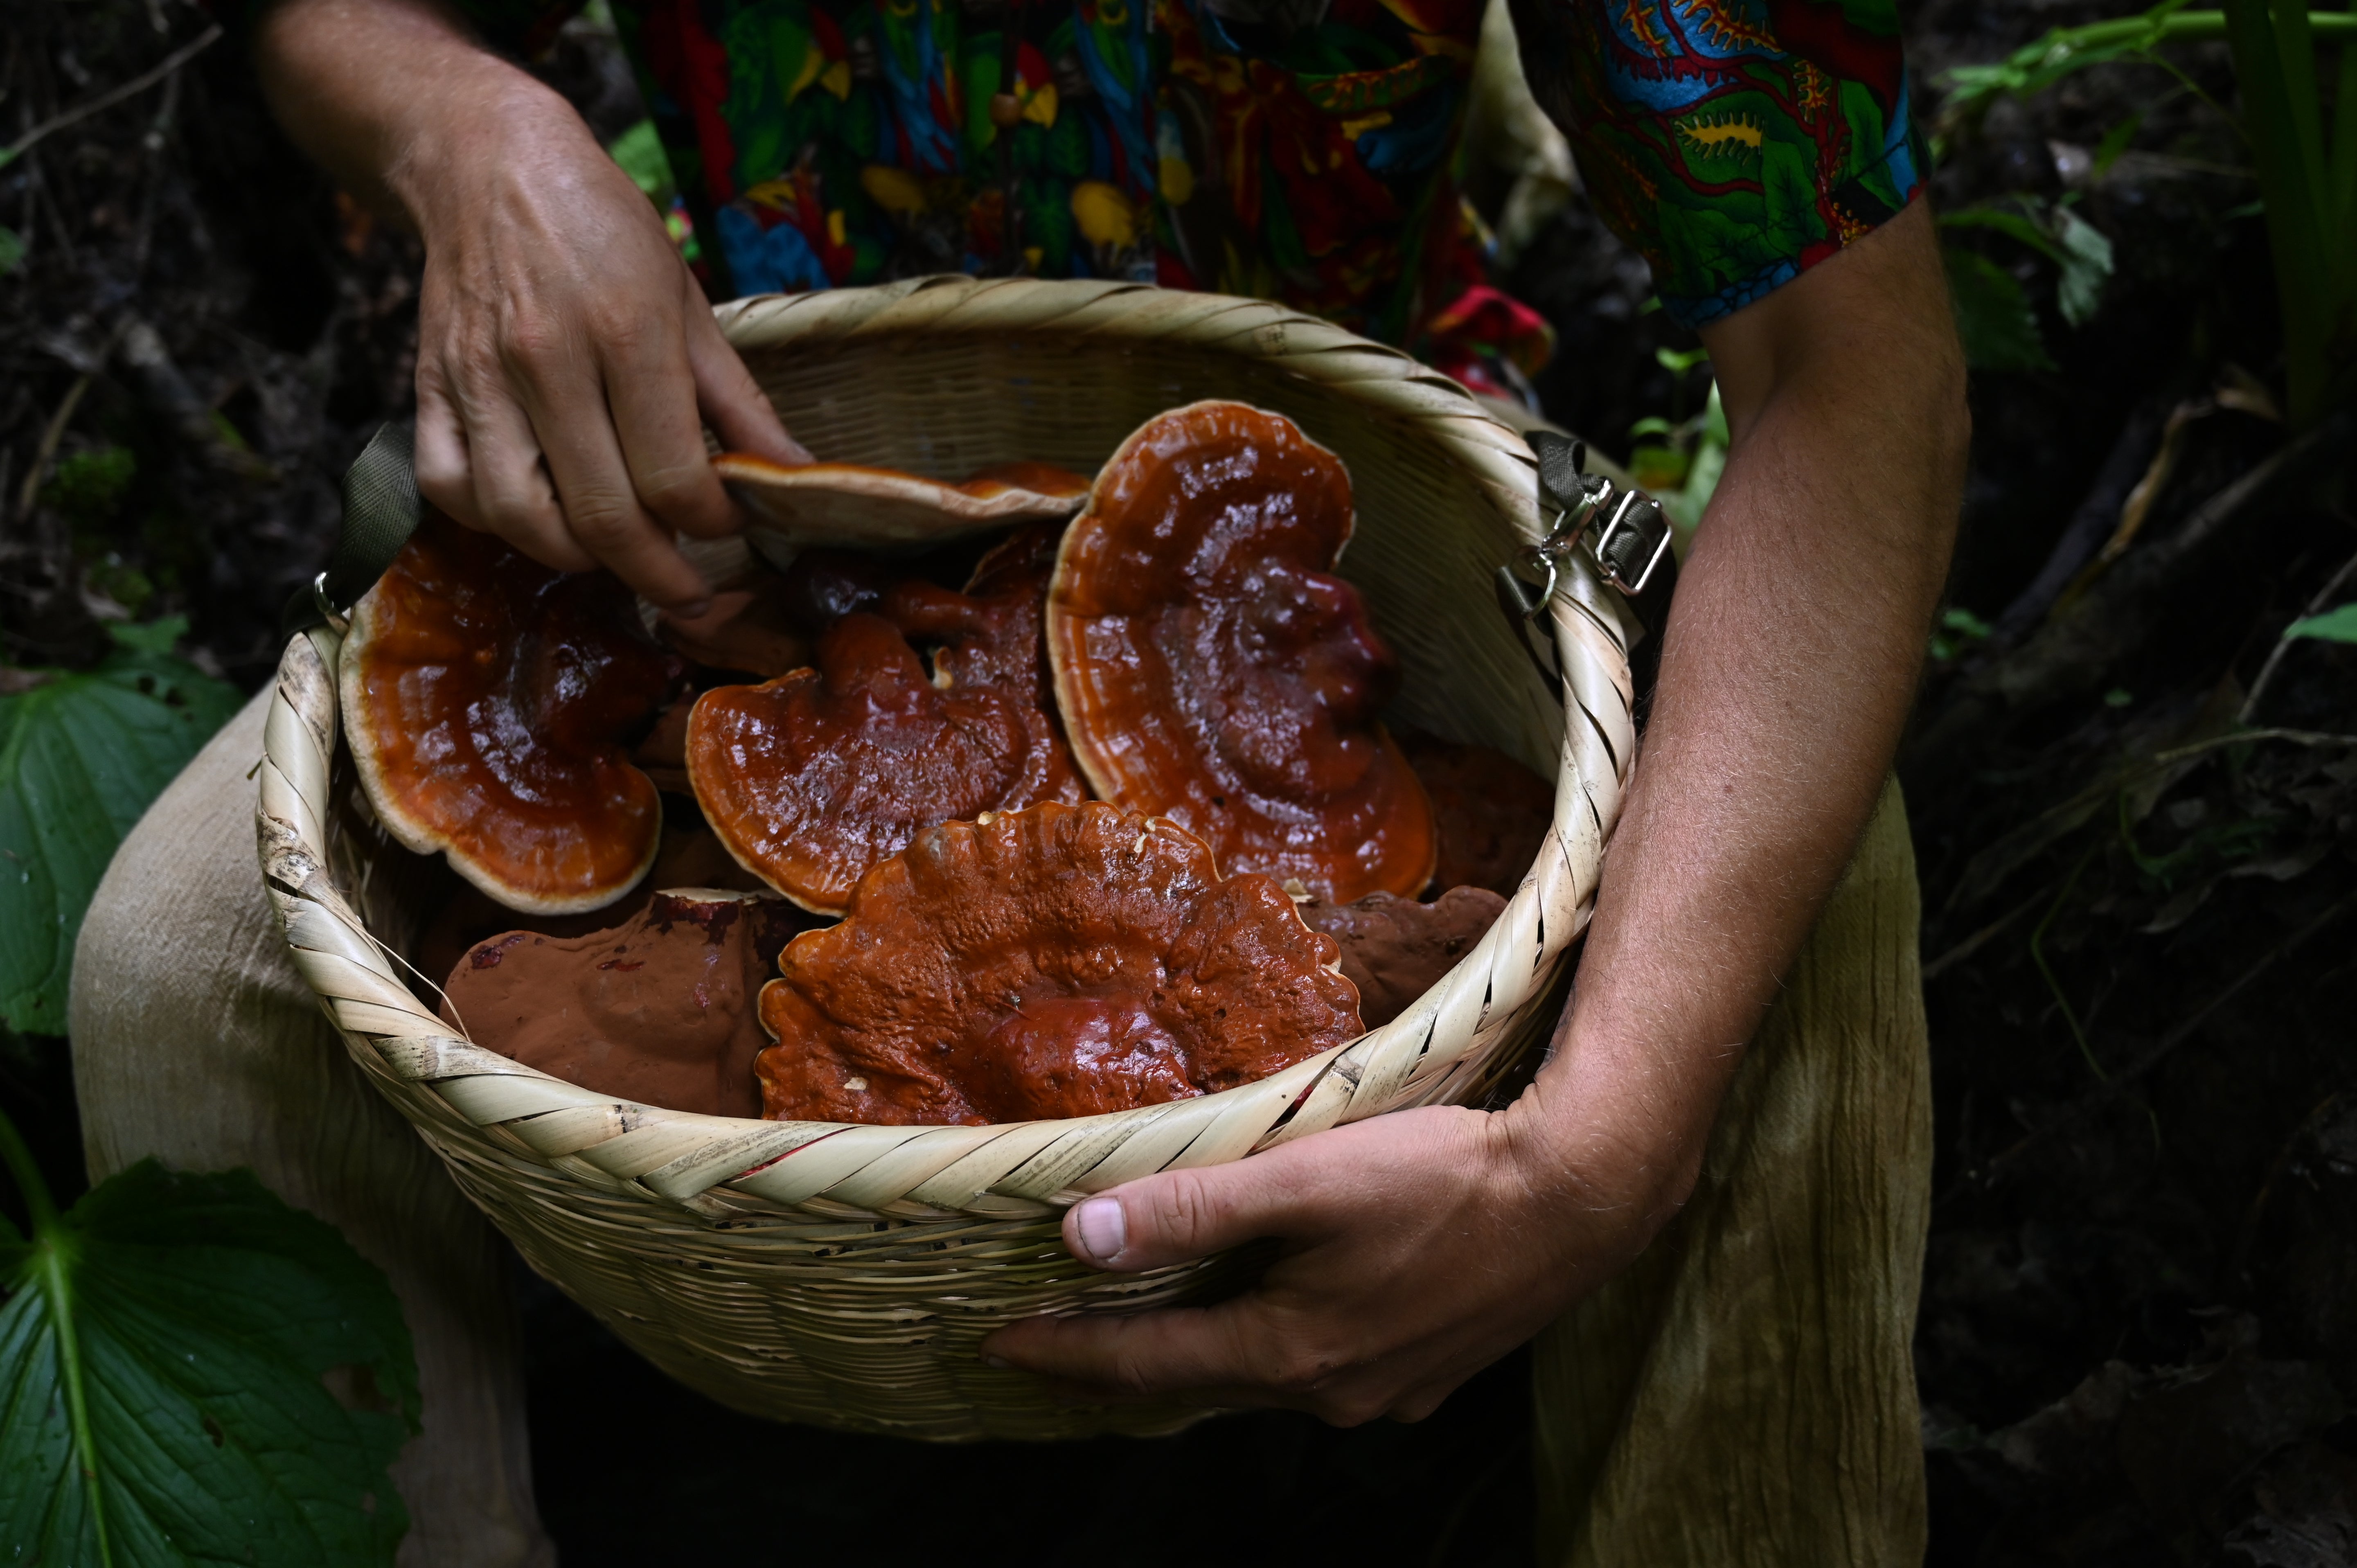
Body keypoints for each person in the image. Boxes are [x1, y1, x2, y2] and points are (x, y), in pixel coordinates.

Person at [72, 0, 1965, 1559]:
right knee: (177, 971)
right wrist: (467, 128)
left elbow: (1846, 357)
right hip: (761, 477)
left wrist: (1609, 1145)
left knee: (1796, 891)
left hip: (1339, 493)